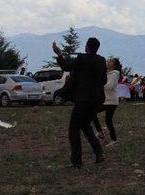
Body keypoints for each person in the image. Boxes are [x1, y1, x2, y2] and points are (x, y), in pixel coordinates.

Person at [52, 38, 106, 169]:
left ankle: (76, 162)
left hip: (82, 100)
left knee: (73, 130)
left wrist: (59, 54)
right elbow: (104, 80)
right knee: (86, 126)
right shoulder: (101, 60)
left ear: (87, 47)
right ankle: (99, 153)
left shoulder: (82, 58)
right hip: (95, 101)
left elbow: (66, 66)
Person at [92, 57, 121, 147]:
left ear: (115, 65)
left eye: (111, 61)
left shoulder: (115, 74)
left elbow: (109, 86)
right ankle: (100, 132)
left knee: (108, 120)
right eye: (109, 61)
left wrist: (99, 84)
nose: (109, 62)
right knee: (92, 112)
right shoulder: (107, 73)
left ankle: (114, 140)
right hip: (105, 100)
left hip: (112, 101)